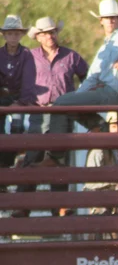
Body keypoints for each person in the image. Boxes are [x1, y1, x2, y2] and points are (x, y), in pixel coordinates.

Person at [35, 0, 118, 167]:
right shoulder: (105, 46)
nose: (110, 21)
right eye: (107, 18)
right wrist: (79, 96)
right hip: (102, 91)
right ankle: (99, 126)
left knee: (62, 103)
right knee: (66, 103)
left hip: (111, 92)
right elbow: (92, 76)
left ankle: (56, 156)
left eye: (113, 17)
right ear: (101, 21)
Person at [10, 17, 90, 216]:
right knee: (33, 156)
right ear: (38, 37)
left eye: (52, 32)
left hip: (62, 112)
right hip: (39, 111)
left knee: (59, 158)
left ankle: (59, 206)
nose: (50, 36)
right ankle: (23, 205)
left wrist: (78, 97)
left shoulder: (71, 57)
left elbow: (87, 77)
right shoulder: (29, 57)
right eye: (45, 33)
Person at [0, 15, 35, 168]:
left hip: (18, 97)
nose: (13, 37)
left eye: (16, 33)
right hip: (1, 96)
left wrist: (20, 102)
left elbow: (28, 80)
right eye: (9, 33)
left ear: (21, 35)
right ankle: (3, 166)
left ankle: (6, 164)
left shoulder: (27, 55)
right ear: (4, 35)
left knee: (17, 128)